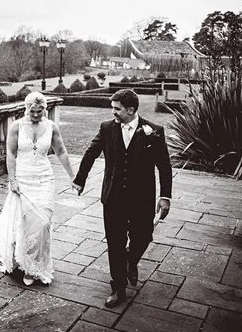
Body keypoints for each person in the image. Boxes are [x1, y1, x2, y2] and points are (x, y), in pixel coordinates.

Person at [73, 88, 172, 308]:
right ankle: (118, 288)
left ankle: (131, 260)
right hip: (113, 198)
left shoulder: (154, 131)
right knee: (114, 244)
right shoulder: (107, 128)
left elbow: (164, 166)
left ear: (130, 109)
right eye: (113, 109)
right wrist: (80, 179)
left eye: (117, 109)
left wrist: (165, 196)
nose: (113, 113)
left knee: (144, 236)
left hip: (142, 198)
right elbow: (91, 152)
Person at [0, 92, 77, 286]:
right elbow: (11, 154)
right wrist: (12, 180)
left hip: (45, 178)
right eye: (33, 111)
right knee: (26, 222)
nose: (36, 115)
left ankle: (37, 266)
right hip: (23, 178)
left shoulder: (51, 127)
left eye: (40, 111)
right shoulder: (17, 126)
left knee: (43, 222)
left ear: (45, 109)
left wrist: (73, 176)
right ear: (26, 109)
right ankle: (26, 265)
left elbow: (61, 151)